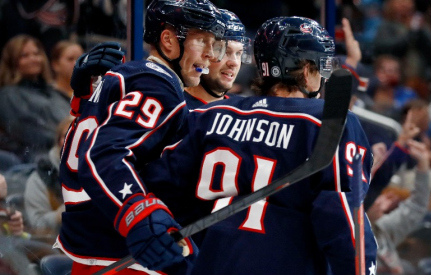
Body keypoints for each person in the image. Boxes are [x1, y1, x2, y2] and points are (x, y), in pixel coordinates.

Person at [140, 16, 377, 274]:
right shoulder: (329, 122)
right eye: (322, 69)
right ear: (307, 70)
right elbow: (341, 217)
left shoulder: (210, 115)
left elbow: (159, 190)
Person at [56, 0, 226, 274]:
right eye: (202, 42)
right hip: (127, 252)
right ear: (168, 41)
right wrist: (139, 214)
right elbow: (104, 154)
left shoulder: (129, 75)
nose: (211, 55)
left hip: (91, 242)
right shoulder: (157, 84)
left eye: (213, 44)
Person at [0, 34, 71, 162]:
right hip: (41, 159)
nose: (33, 59)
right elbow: (28, 132)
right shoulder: (9, 95)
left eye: (36, 54)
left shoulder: (53, 92)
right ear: (13, 61)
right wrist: (72, 137)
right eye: (24, 56)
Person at [367, 139, 430, 274]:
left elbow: (416, 206)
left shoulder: (382, 228)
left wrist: (423, 164)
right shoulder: (347, 239)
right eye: (374, 198)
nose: (379, 202)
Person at [184, 9, 252, 109]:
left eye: (238, 53)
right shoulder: (176, 107)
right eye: (224, 52)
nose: (234, 63)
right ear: (204, 53)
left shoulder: (245, 108)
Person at [24, 116, 73, 239]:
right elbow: (36, 224)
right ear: (59, 141)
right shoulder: (39, 179)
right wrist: (63, 213)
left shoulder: (99, 174)